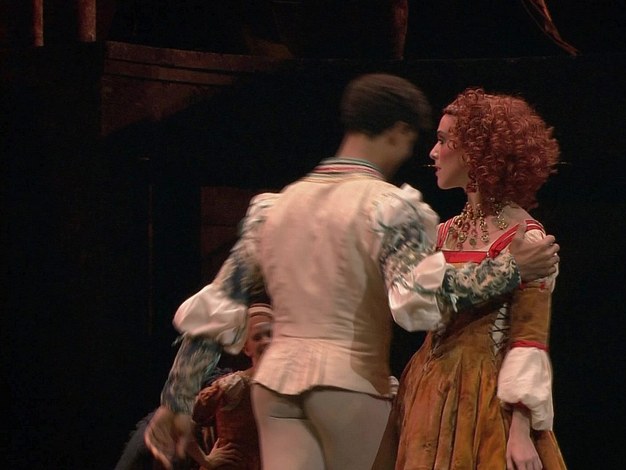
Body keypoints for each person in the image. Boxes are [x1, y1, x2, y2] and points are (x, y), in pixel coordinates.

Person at [143, 73, 561, 470]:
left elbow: (219, 303)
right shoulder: (390, 208)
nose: (425, 153)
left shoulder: (276, 207)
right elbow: (417, 301)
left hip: (276, 390)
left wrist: (176, 401)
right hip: (348, 384)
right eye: (416, 139)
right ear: (396, 133)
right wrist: (508, 269)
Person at [389, 87, 568, 469]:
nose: (433, 152)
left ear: (475, 152)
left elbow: (528, 339)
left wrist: (520, 431)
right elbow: (413, 303)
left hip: (485, 396)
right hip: (428, 387)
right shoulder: (443, 233)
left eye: (443, 140)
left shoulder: (525, 238)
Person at [187, 302, 274, 470]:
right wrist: (206, 460)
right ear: (246, 348)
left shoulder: (289, 386)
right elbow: (178, 421)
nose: (266, 341)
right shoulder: (235, 386)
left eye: (270, 334)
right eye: (257, 337)